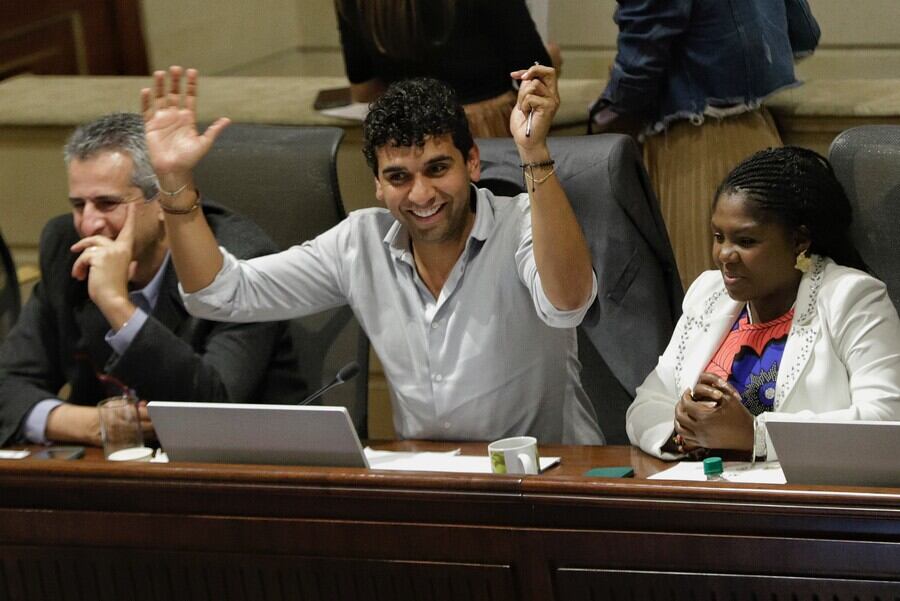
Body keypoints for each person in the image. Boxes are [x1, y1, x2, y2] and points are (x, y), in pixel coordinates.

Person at [140, 65, 603, 444]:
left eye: (438, 168)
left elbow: (568, 304)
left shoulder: (524, 220)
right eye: (399, 177)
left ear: (473, 162)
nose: (421, 194)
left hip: (546, 482)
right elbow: (219, 295)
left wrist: (533, 152)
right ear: (378, 185)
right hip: (428, 488)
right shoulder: (358, 243)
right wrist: (174, 180)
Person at [0, 113, 303, 447]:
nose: (87, 224)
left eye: (107, 204)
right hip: (111, 475)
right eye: (78, 205)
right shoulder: (66, 248)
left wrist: (119, 308)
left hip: (246, 470)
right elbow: (8, 383)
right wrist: (91, 423)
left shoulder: (237, 263)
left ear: (162, 201)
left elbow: (213, 409)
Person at [626, 146, 900, 461]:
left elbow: (886, 423)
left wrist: (756, 436)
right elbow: (645, 405)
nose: (724, 255)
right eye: (718, 236)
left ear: (799, 240)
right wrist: (685, 433)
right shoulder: (707, 293)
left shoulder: (851, 298)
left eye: (746, 241)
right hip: (706, 492)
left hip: (803, 502)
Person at [589, 0, 821, 288]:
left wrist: (604, 116)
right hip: (759, 132)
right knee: (767, 306)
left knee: (705, 309)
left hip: (695, 150)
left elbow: (644, 51)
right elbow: (804, 33)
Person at [334, 0, 559, 137]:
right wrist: (553, 58)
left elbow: (363, 90)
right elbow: (534, 75)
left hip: (404, 136)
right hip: (486, 133)